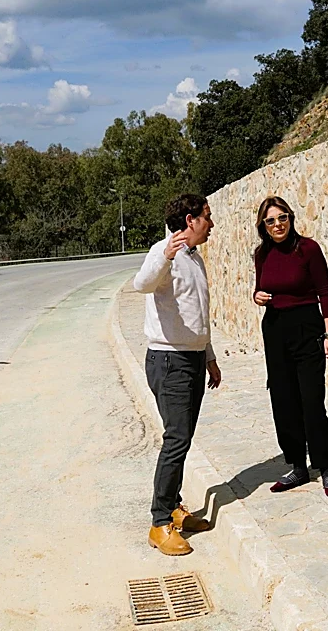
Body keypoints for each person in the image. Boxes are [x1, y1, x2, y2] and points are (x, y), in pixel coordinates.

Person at [134, 193, 223, 556]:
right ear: (190, 220)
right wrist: (166, 256)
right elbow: (142, 283)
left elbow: (198, 312)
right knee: (177, 439)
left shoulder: (194, 257)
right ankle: (159, 523)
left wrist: (210, 356)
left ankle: (174, 507)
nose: (212, 223)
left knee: (182, 439)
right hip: (168, 361)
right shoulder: (164, 252)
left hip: (191, 358)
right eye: (207, 217)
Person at [252, 196, 328, 499]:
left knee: (312, 400)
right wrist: (258, 297)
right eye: (270, 220)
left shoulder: (308, 249)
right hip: (275, 329)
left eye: (282, 218)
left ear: (291, 218)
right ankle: (297, 466)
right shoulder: (262, 254)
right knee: (283, 400)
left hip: (307, 328)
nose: (277, 225)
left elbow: (324, 293)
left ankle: (325, 467)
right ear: (263, 226)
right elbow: (259, 288)